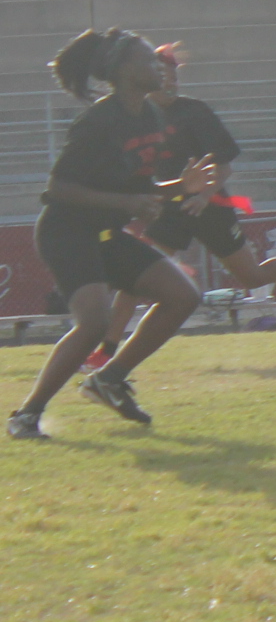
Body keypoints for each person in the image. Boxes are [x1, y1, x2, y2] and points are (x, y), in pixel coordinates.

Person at [9, 30, 219, 441]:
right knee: (94, 322)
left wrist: (181, 187)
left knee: (182, 295)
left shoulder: (149, 115)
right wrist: (127, 204)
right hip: (67, 231)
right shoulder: (97, 121)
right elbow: (58, 189)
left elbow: (138, 188)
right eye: (148, 60)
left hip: (104, 231)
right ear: (123, 71)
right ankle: (26, 416)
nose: (159, 67)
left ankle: (109, 379)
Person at [137, 42, 276, 309]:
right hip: (171, 204)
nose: (171, 83)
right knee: (140, 274)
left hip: (209, 206)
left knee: (251, 277)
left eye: (174, 77)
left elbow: (224, 167)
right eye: (164, 76)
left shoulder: (195, 111)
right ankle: (110, 336)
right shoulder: (140, 115)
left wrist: (203, 196)